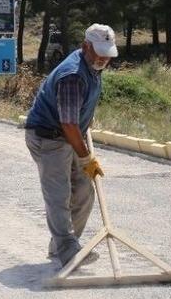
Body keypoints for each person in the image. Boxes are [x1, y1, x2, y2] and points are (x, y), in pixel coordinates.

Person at [24, 23, 118, 268]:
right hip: (49, 138)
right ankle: (68, 250)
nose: (103, 58)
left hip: (70, 134)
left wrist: (85, 139)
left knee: (85, 191)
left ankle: (63, 246)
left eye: (107, 53)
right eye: (99, 52)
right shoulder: (73, 75)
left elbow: (77, 116)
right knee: (59, 194)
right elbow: (68, 123)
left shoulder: (93, 66)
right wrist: (86, 159)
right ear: (85, 46)